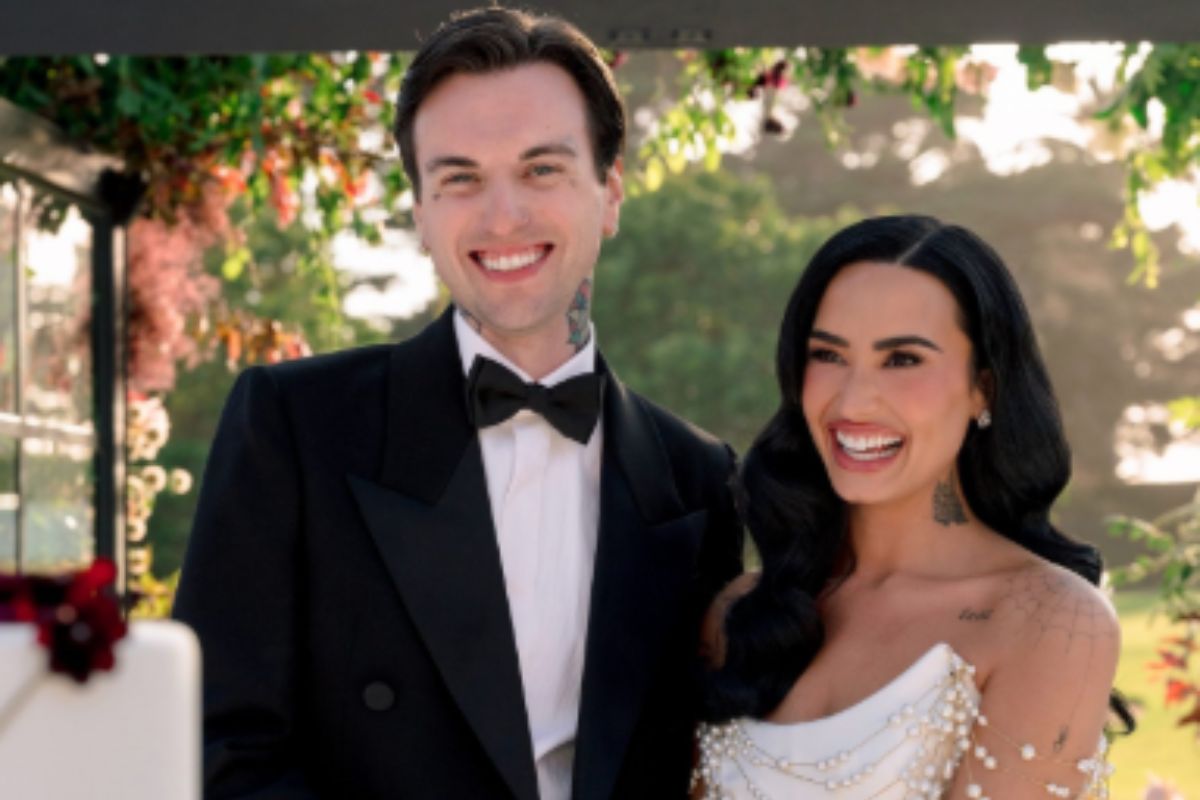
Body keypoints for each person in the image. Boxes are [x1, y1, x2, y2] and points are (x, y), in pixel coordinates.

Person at [172, 8, 743, 800]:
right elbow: (219, 745)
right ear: (421, 215)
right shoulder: (296, 426)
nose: (502, 216)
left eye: (541, 170)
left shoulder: (699, 478)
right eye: (461, 178)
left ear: (610, 191)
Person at [694, 215, 1124, 799]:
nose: (853, 401)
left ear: (984, 387)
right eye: (828, 355)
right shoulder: (742, 613)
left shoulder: (1049, 620)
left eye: (902, 359)